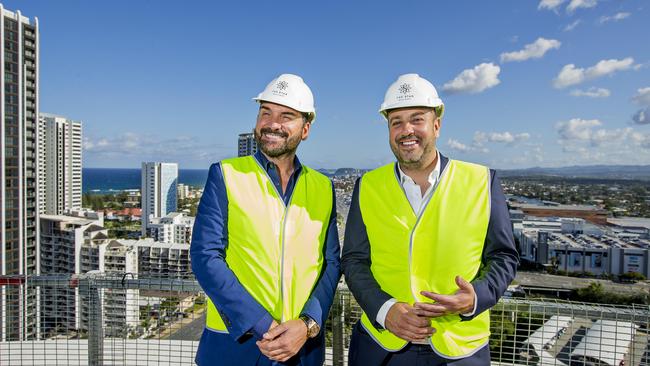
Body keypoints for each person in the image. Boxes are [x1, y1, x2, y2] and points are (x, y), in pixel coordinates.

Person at [341, 73, 519, 365]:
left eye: (417, 119)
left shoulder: (482, 181)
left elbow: (503, 256)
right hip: (382, 346)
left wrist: (475, 297)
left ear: (436, 125)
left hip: (460, 349)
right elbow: (354, 260)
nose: (406, 130)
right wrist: (386, 310)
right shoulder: (368, 185)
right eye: (396, 121)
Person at [191, 73, 341, 366]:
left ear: (305, 129)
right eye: (265, 113)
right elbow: (205, 256)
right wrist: (262, 324)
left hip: (303, 350)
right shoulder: (225, 174)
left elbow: (331, 262)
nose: (273, 123)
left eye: (286, 116)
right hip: (235, 347)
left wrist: (307, 323)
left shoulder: (323, 187)